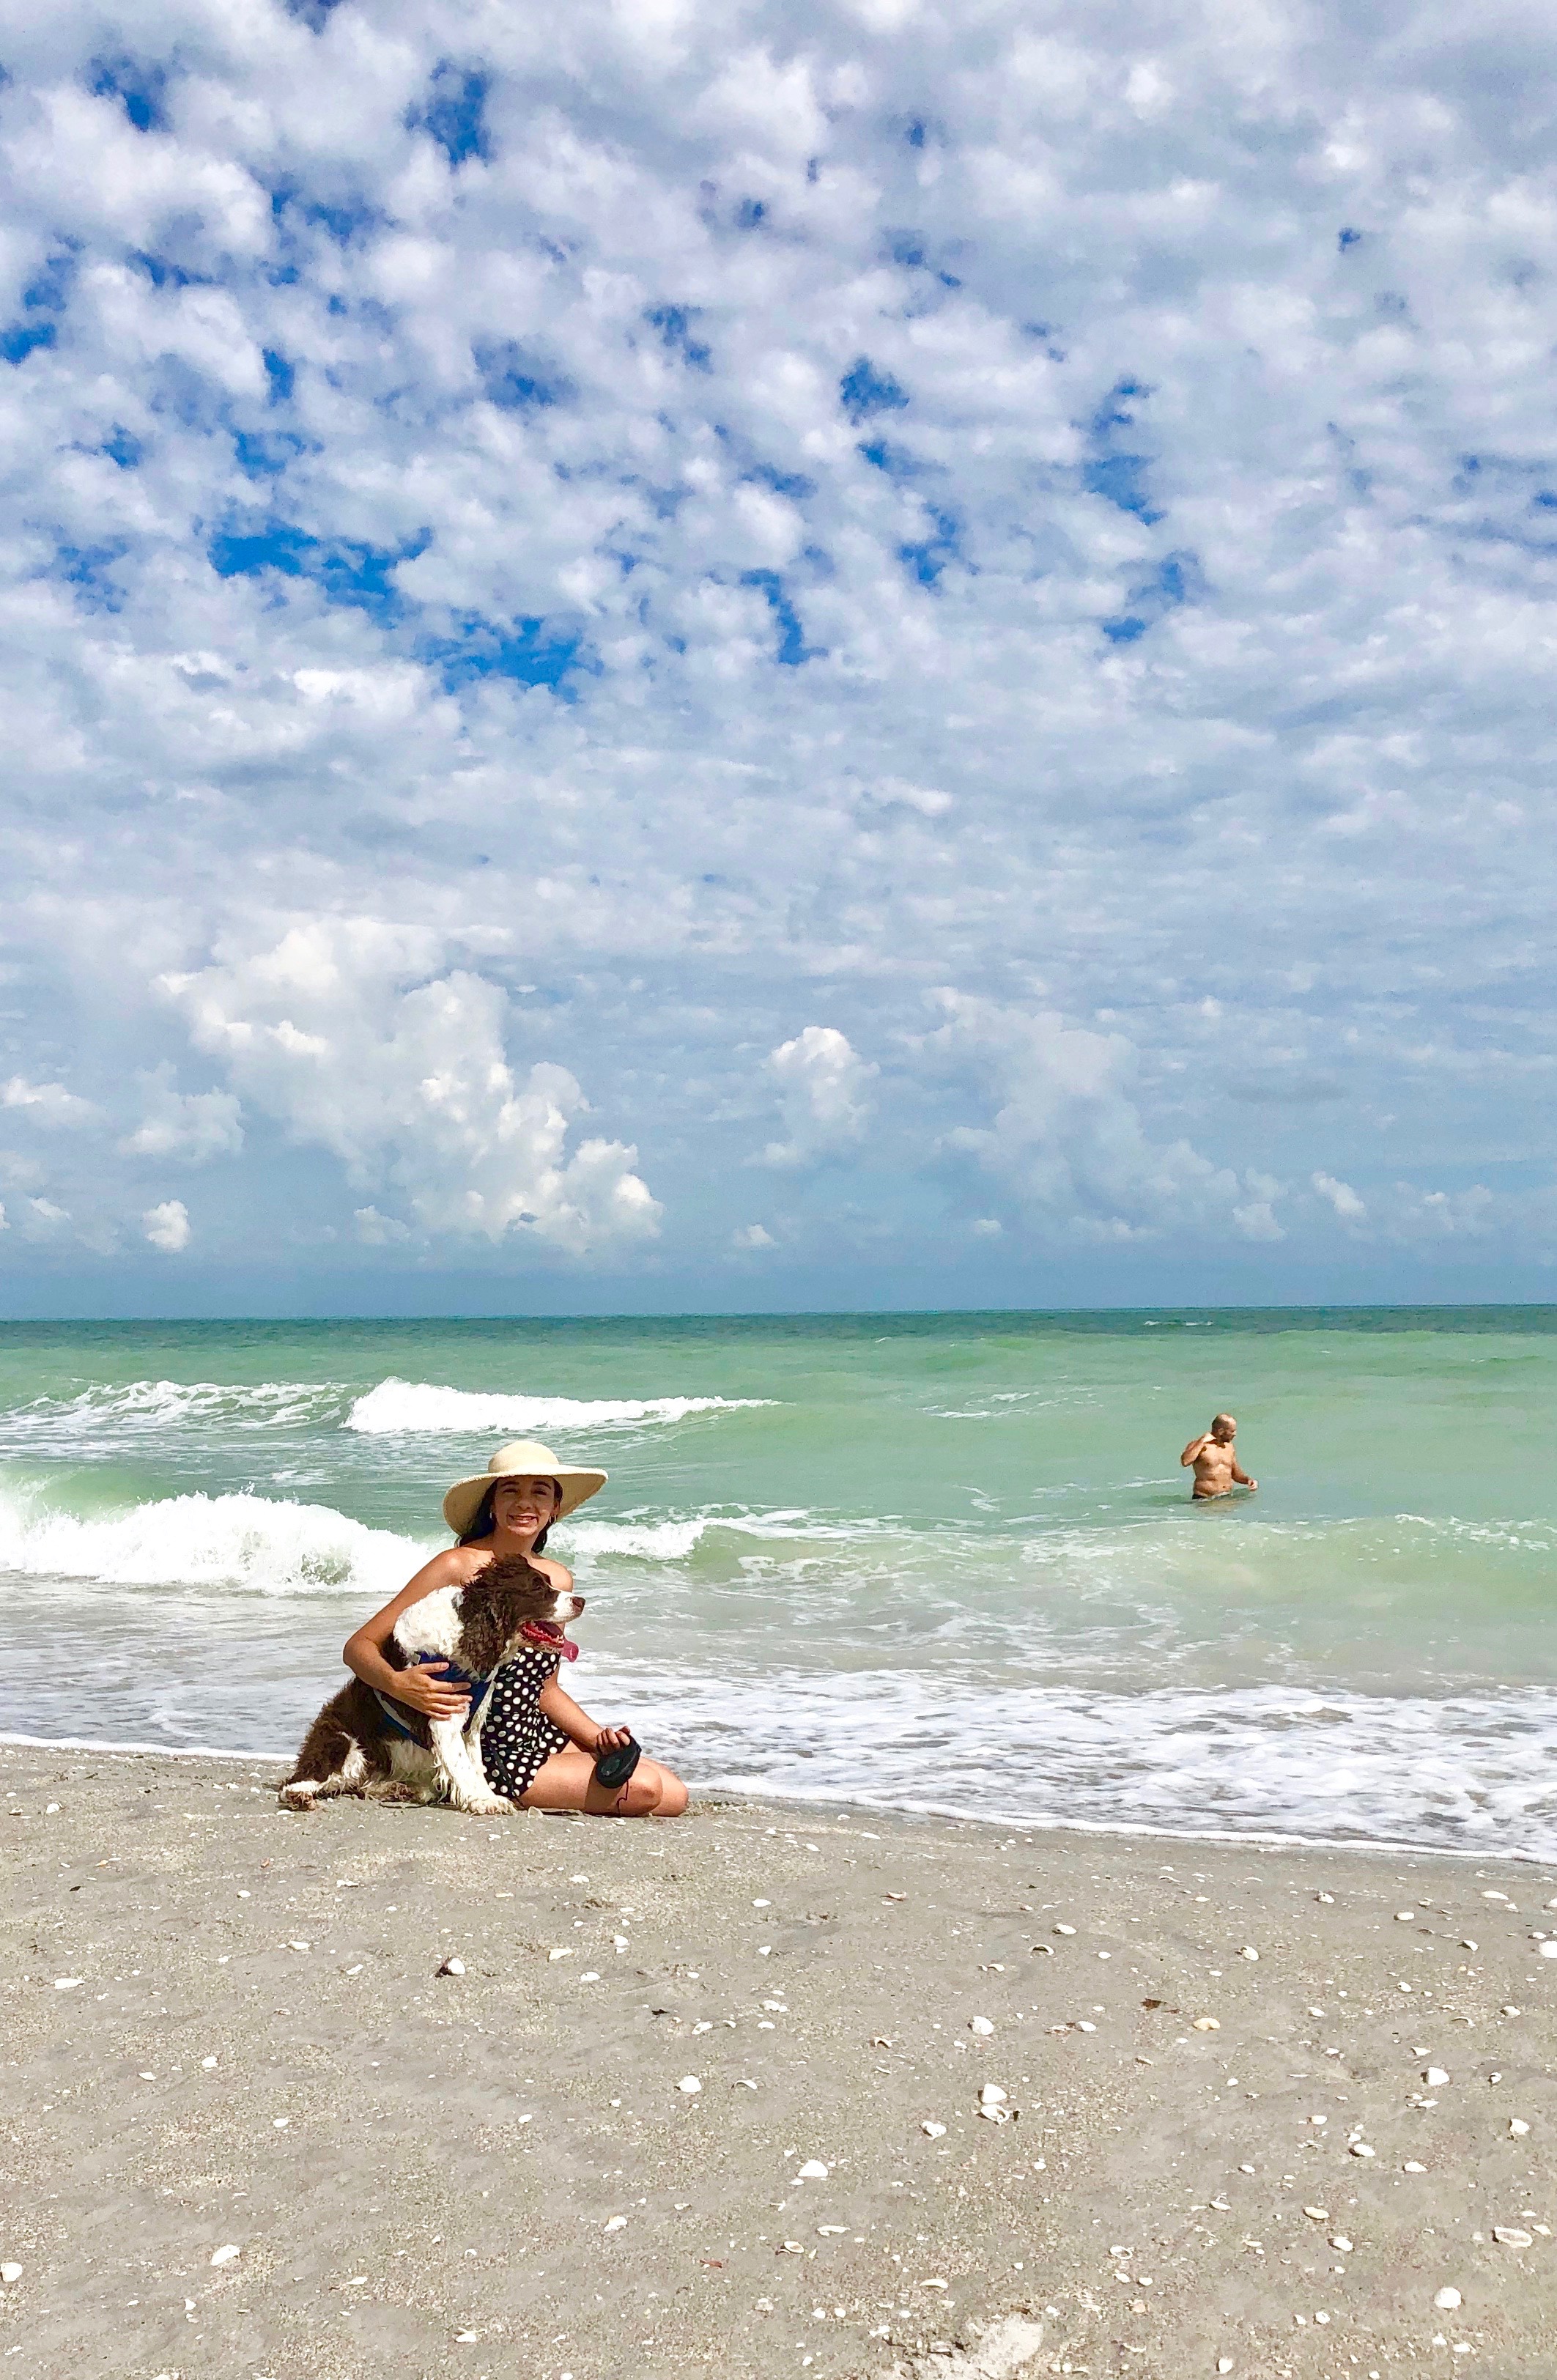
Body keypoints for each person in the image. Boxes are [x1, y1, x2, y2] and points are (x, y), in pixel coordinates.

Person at [341, 1437, 687, 1817]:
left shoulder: (554, 1580)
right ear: (493, 1503)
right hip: (482, 1744)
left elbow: (546, 1687)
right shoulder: (456, 1566)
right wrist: (398, 1685)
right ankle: (463, 1784)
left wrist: (595, 1738)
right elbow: (359, 1646)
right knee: (645, 1789)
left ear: (554, 1508)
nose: (525, 1503)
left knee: (673, 1795)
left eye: (539, 1492)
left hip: (535, 1731)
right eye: (511, 1491)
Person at [1180, 1413, 1257, 1500]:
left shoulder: (1229, 1447)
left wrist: (1248, 1480)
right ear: (1221, 1431)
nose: (1235, 1434)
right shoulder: (1199, 1445)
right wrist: (1202, 1441)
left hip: (1227, 1497)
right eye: (1232, 1431)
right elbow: (1185, 1462)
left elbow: (1235, 1474)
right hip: (1204, 1500)